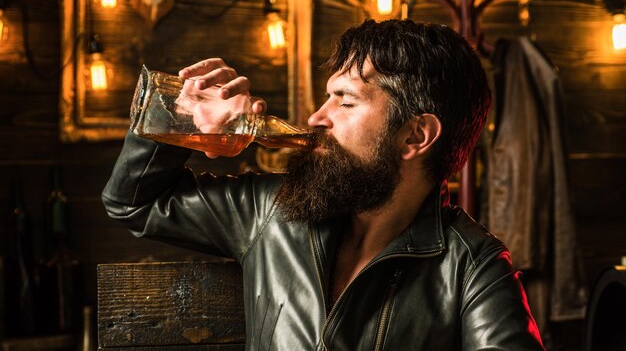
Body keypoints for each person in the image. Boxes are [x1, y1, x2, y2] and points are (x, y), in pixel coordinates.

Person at [102, 19, 545, 351]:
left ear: (416, 135)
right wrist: (183, 119)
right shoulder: (270, 211)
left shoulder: (473, 268)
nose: (317, 118)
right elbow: (132, 203)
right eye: (327, 95)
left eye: (345, 100)